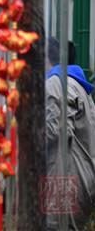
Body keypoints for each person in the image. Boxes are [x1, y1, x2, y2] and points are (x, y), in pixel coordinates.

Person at [45, 37, 95, 230]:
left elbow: (53, 132)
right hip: (81, 178)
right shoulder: (78, 86)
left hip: (64, 182)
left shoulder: (56, 84)